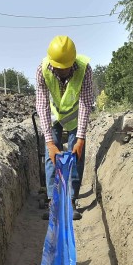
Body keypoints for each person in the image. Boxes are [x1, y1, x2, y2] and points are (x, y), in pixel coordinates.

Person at [36, 35, 94, 220]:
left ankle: (71, 199)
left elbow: (86, 102)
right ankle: (54, 200)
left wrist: (81, 137)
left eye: (65, 67)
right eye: (58, 68)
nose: (61, 71)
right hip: (53, 116)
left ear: (72, 61)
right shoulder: (42, 70)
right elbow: (42, 104)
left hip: (76, 116)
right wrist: (50, 142)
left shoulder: (84, 69)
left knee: (75, 156)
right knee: (51, 156)